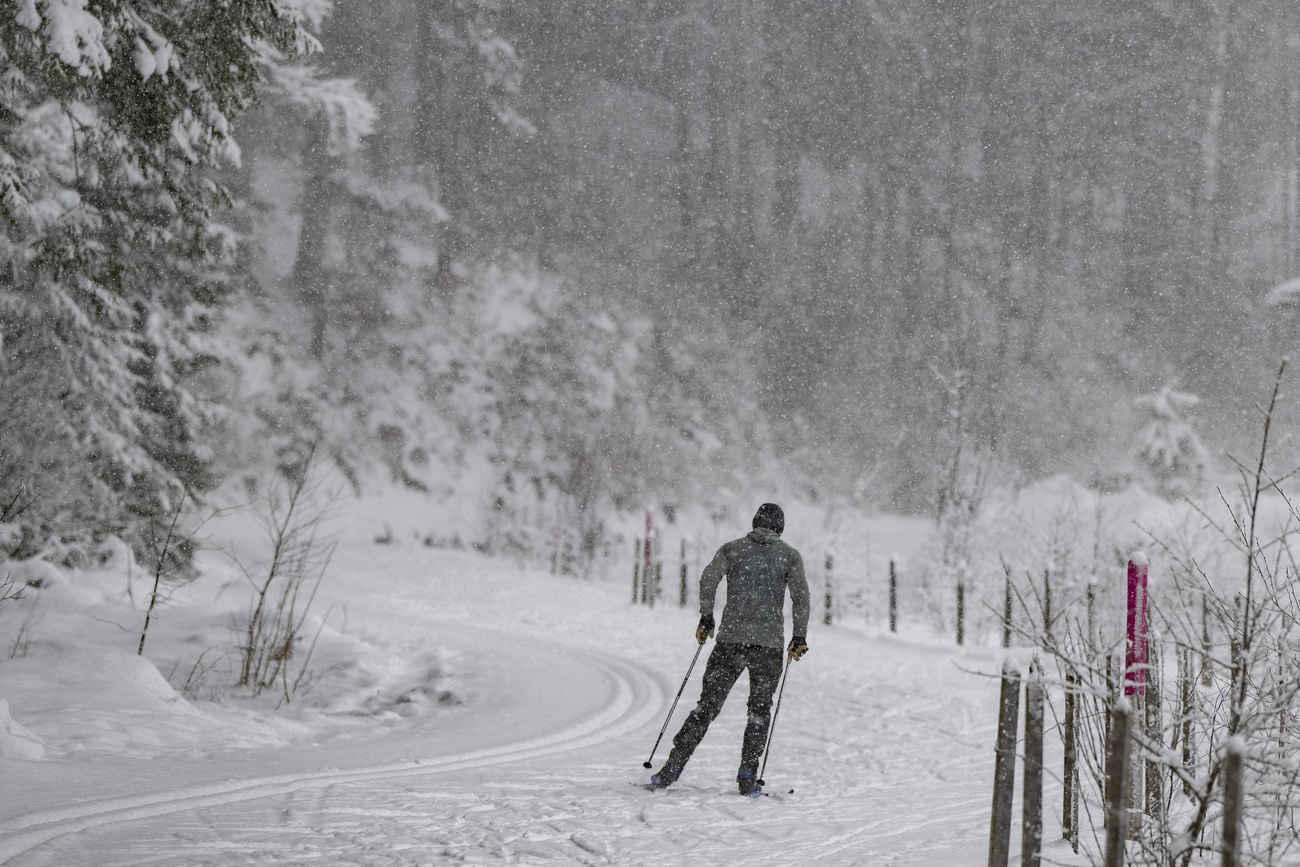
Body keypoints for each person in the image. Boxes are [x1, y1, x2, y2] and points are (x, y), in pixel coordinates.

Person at [649, 503, 810, 796]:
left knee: (706, 707)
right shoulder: (789, 556)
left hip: (730, 642)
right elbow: (801, 597)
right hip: (768, 646)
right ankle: (748, 777)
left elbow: (708, 578)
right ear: (780, 528)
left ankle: (671, 768)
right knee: (759, 712)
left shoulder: (732, 549)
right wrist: (799, 636)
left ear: (754, 523)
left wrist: (706, 616)